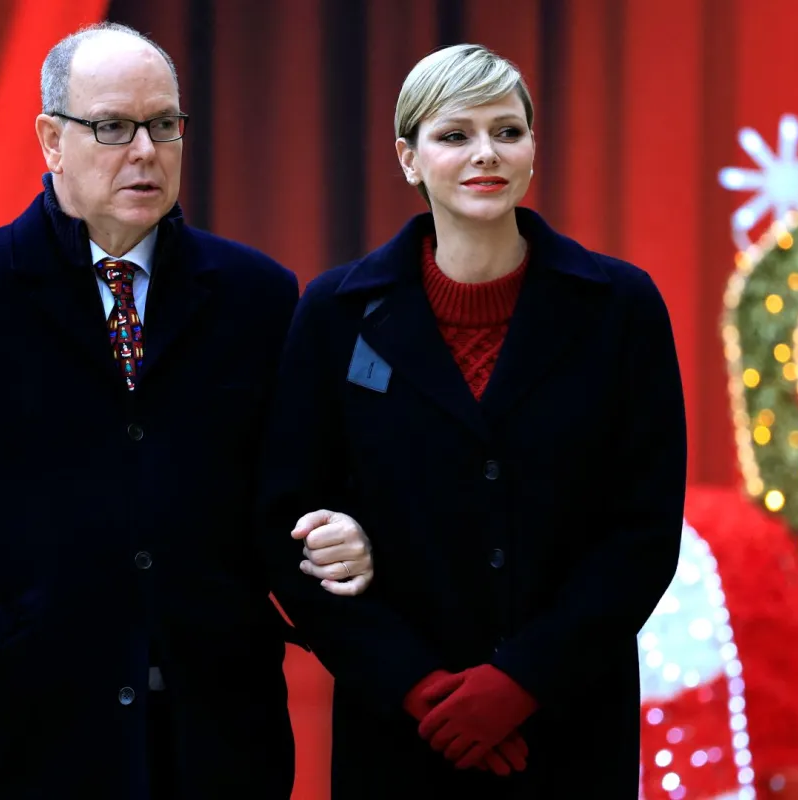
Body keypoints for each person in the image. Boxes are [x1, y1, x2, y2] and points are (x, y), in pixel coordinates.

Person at [0, 22, 374, 800]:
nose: (145, 151)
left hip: (219, 735)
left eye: (163, 125)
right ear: (51, 139)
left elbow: (308, 478)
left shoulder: (257, 295)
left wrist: (343, 525)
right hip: (31, 733)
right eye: (113, 127)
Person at [259, 43, 687, 797]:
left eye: (507, 131)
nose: (485, 153)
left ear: (531, 152)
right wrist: (417, 687)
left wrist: (520, 683)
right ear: (409, 158)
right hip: (396, 735)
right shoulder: (333, 314)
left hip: (568, 727)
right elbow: (285, 524)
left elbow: (643, 534)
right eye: (454, 135)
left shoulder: (621, 308)